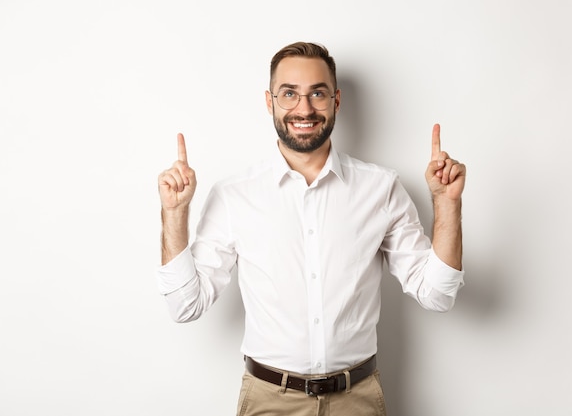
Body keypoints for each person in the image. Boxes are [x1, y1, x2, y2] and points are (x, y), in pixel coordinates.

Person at [156, 41, 466, 416]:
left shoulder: (381, 188)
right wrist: (175, 214)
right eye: (289, 94)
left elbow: (436, 295)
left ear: (336, 100)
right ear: (270, 102)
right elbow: (185, 305)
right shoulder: (234, 195)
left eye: (317, 94)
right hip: (270, 401)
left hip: (359, 401)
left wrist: (447, 205)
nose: (304, 109)